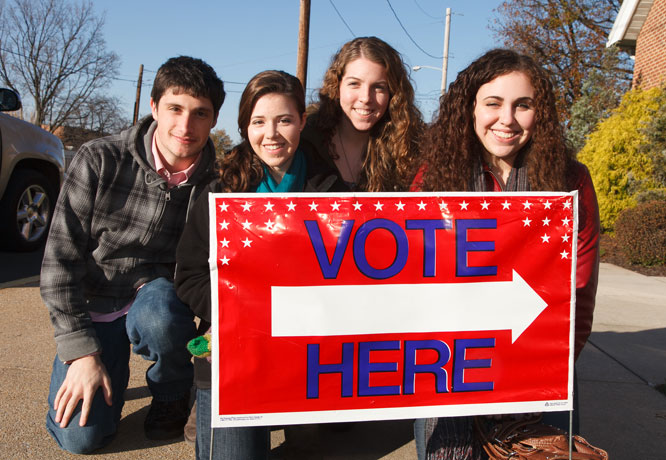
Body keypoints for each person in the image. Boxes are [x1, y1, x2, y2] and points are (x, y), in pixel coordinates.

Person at [413, 49, 600, 459]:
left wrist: (540, 371)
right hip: (449, 367)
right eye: (493, 103)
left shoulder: (571, 180)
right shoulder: (432, 178)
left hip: (541, 367)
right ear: (470, 108)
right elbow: (416, 283)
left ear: (541, 114)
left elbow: (579, 290)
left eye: (524, 105)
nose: (507, 119)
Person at [40, 56, 225, 454]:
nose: (185, 126)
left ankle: (173, 391)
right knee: (81, 439)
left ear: (213, 121)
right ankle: (106, 369)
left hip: (159, 298)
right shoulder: (98, 158)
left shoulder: (218, 183)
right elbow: (58, 265)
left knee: (159, 315)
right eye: (175, 108)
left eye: (200, 114)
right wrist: (81, 353)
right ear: (154, 106)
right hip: (96, 301)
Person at [175, 70, 347, 460]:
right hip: (234, 345)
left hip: (306, 350)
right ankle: (199, 401)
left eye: (284, 120)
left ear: (302, 121)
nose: (271, 134)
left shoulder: (331, 191)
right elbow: (189, 277)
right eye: (258, 122)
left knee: (311, 446)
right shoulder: (219, 190)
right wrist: (238, 311)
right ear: (245, 127)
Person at [303, 36, 424, 192]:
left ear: (393, 94)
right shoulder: (304, 142)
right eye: (354, 84)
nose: (366, 98)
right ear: (337, 86)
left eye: (379, 87)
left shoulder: (410, 149)